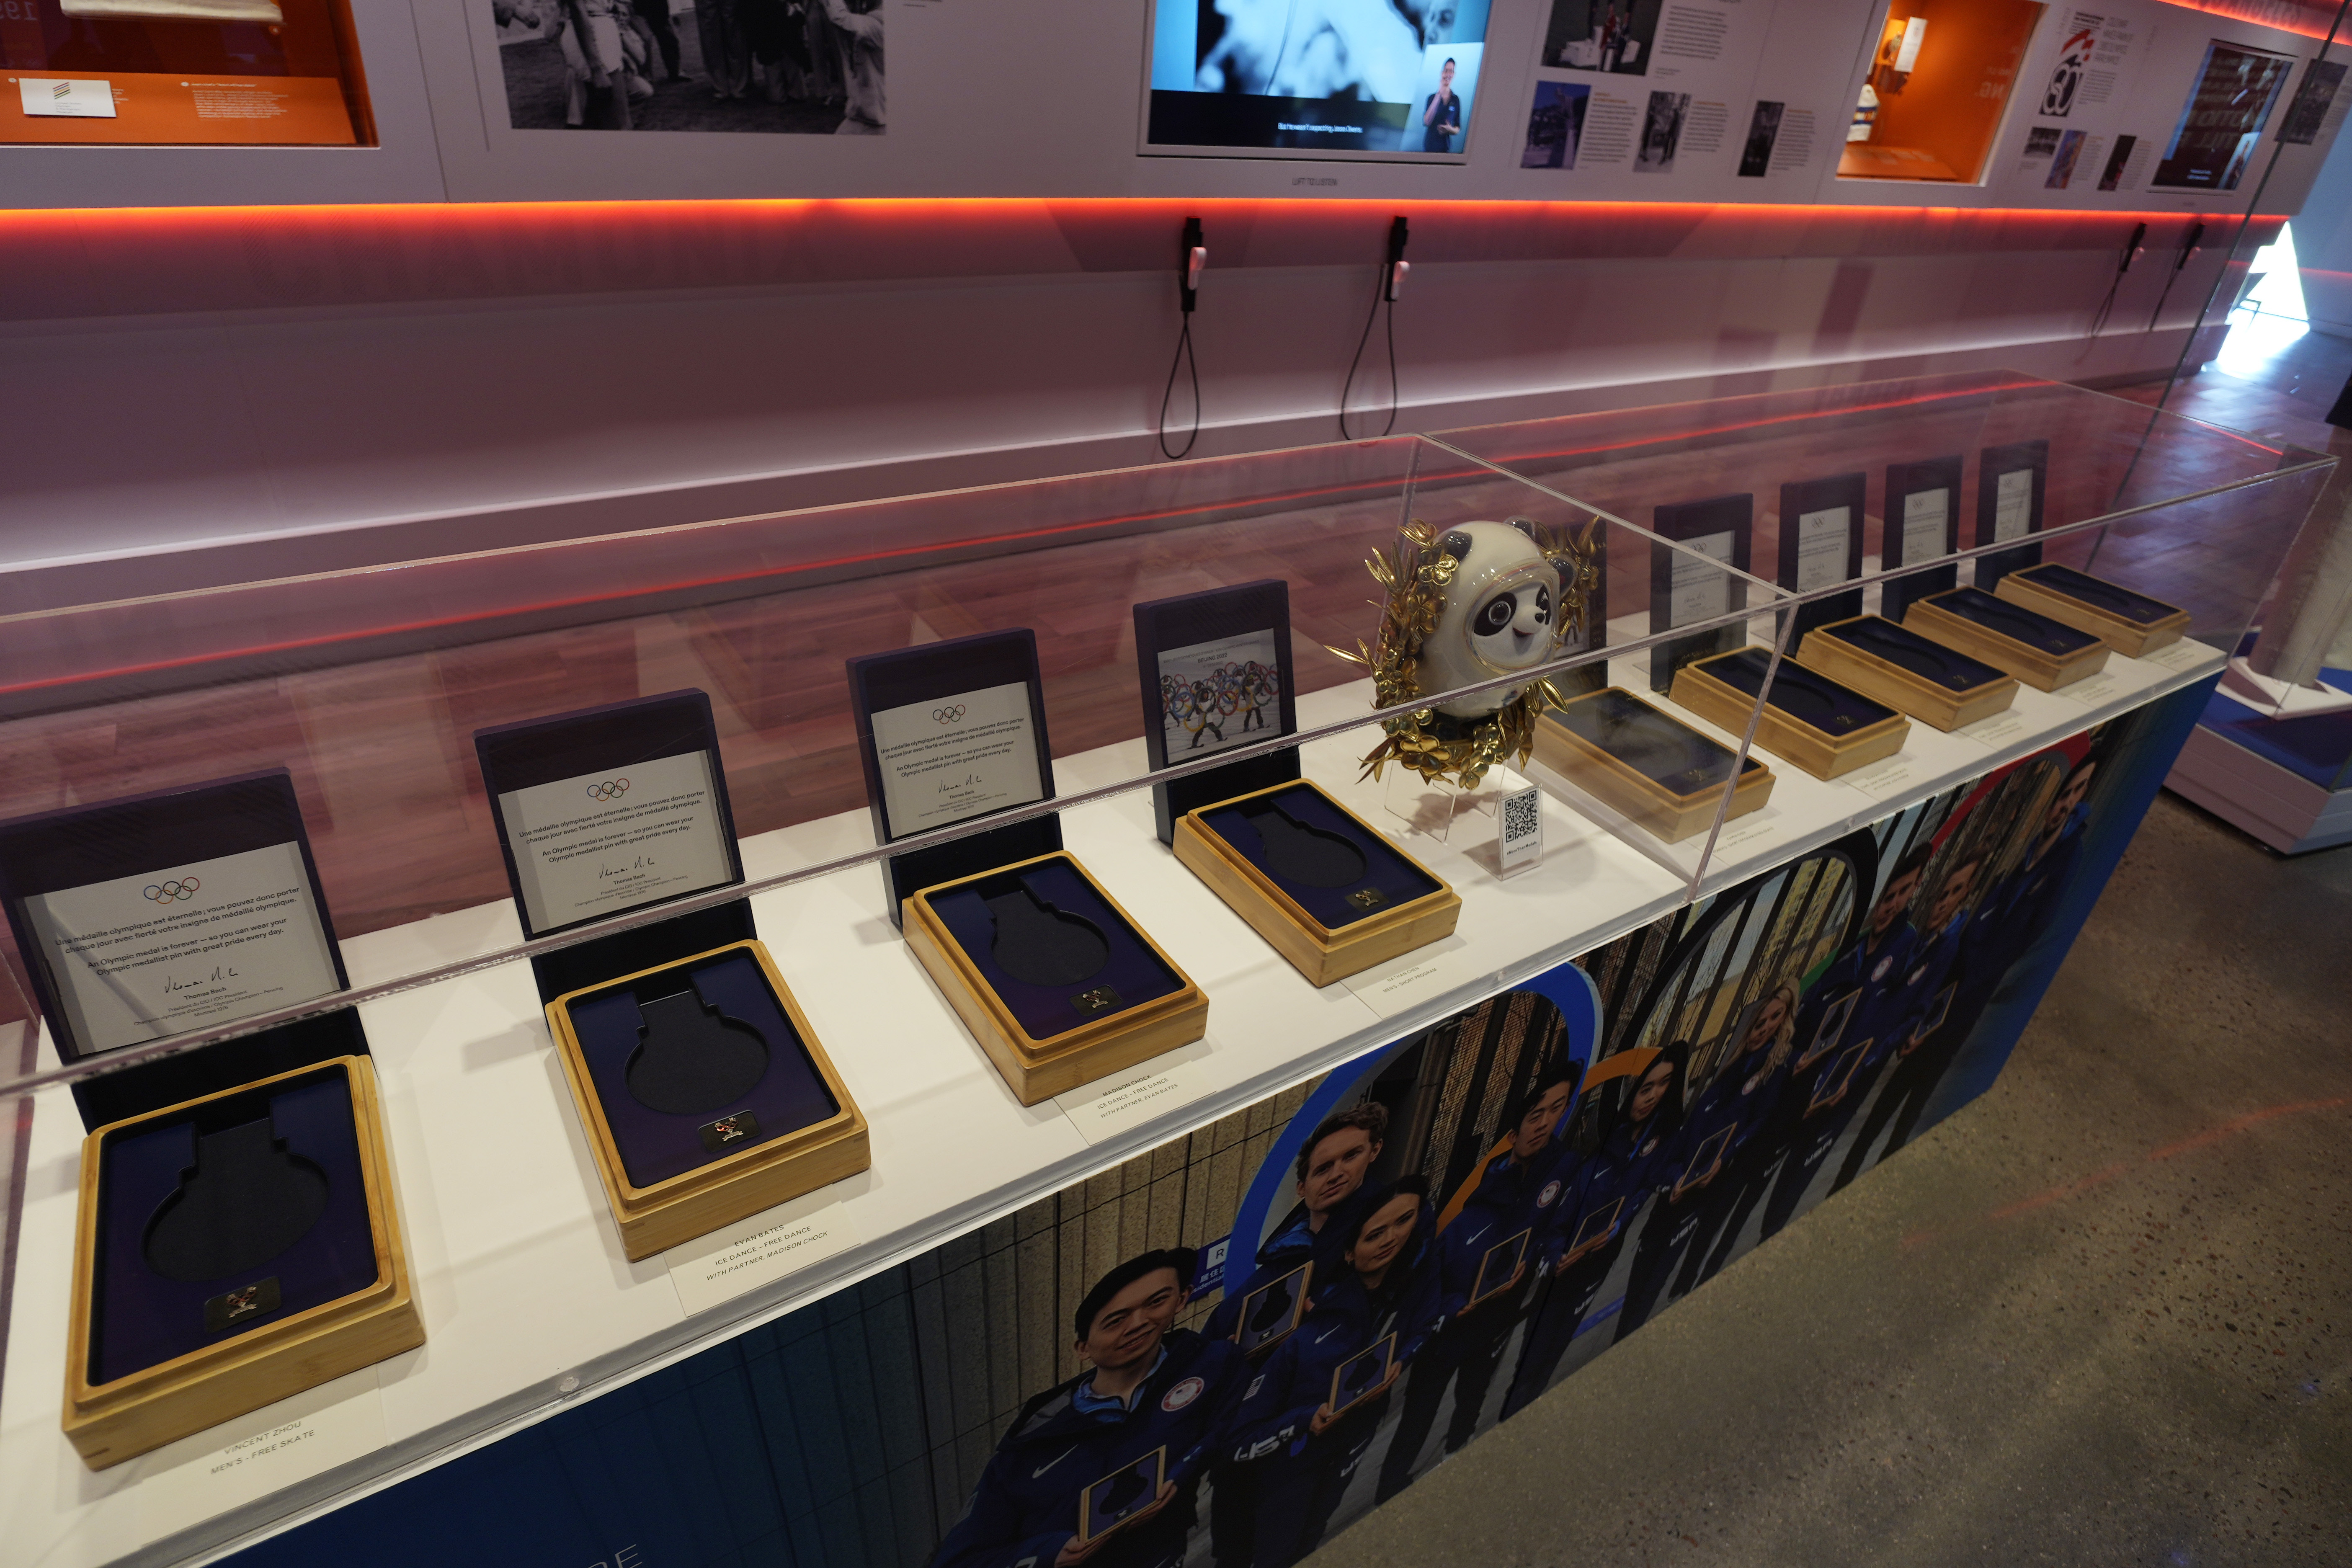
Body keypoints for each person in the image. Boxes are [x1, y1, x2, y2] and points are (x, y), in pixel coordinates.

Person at [934, 1249, 1247, 1568]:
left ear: (1182, 1299)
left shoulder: (1216, 1364)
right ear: (1083, 1348)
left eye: (1156, 1302)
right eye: (1116, 1321)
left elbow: (1236, 1426)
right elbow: (958, 1561)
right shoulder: (1023, 1455)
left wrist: (1181, 1473)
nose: (1139, 1323)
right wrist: (1049, 1553)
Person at [1376, 1070, 1581, 1501]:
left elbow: (1554, 1227)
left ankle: (1460, 1451)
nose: (1544, 1123)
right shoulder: (1481, 1191)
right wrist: (1450, 1306)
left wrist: (1537, 1259)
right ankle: (1390, 1490)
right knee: (1418, 1414)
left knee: (1474, 1393)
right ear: (1513, 1131)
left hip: (1497, 1316)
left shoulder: (1562, 1168)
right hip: (1450, 1324)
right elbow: (1433, 1268)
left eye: (1555, 1111)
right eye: (1535, 1115)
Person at [1200, 1105, 1387, 1568]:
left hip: (1314, 1434)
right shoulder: (1282, 1256)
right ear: (1302, 1187)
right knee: (1232, 1550)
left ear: (1375, 1153)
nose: (1337, 1173)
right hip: (1247, 1437)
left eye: (1351, 1156)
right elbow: (1217, 1335)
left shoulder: (1386, 1236)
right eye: (1323, 1168)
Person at [1229, 1180, 1439, 1568]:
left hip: (1353, 1444)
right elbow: (1240, 1441)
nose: (1389, 1240)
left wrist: (1401, 1360)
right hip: (1292, 1468)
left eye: (1401, 1224)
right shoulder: (1302, 1336)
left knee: (1314, 1540)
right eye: (1374, 1235)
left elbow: (1425, 1326)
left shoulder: (1410, 1292)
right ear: (1348, 1253)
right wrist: (1304, 1421)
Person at [1749, 846, 1936, 1242]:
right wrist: (1797, 1056)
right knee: (1761, 1174)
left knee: (1792, 1185)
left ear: (1916, 890)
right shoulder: (1853, 949)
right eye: (1888, 896)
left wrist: (1860, 1066)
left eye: (1903, 894)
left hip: (1840, 1089)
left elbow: (1901, 1017)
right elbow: (1810, 1011)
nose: (1893, 904)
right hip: (1805, 1080)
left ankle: (1770, 1241)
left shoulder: (1906, 945)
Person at [1499, 1042, 1687, 1417]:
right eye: (1645, 1088)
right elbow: (1560, 1217)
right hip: (1562, 1266)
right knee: (1532, 1355)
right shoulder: (1601, 1145)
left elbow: (1650, 1185)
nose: (1652, 1097)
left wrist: (1616, 1228)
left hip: (1597, 1264)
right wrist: (1555, 1258)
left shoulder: (1663, 1142)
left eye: (1664, 1085)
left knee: (1552, 1352)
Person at [1828, 849, 1985, 1193]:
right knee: (1865, 1135)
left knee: (1882, 1129)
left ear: (1967, 894)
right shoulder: (1922, 939)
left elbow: (1925, 1004)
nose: (1943, 903)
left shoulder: (1950, 946)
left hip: (1885, 1053)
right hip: (1870, 1046)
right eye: (1942, 894)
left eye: (1954, 894)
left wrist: (1877, 1052)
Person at [1681, 980, 1799, 1287]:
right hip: (1706, 1158)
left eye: (1775, 1018)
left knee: (1719, 1222)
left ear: (1784, 1021)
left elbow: (1761, 1118)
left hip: (1739, 1160)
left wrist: (1729, 1153)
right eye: (1761, 1021)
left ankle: (1701, 1277)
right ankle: (1685, 1280)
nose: (1765, 1028)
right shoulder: (1737, 1062)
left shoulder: (1777, 1063)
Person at [1420, 58, 1462, 153]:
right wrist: (1439, 94)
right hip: (1429, 148)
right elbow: (1427, 122)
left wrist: (1450, 130)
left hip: (1445, 149)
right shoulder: (1431, 98)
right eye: (1446, 71)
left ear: (1454, 75)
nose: (1448, 74)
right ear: (1442, 73)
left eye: (1451, 71)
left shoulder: (1456, 100)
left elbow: (1457, 128)